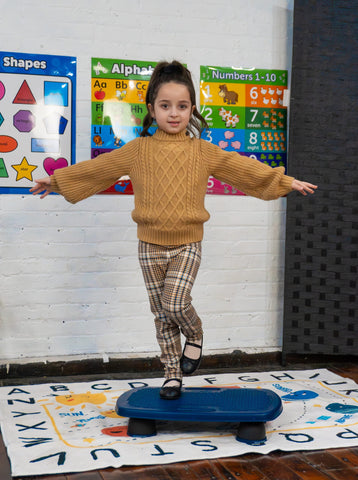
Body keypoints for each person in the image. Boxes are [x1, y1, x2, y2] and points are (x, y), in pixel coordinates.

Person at [31, 60, 317, 400]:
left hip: (187, 244)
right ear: (151, 109)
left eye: (182, 106)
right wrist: (58, 181)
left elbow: (243, 169)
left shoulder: (203, 151)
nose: (174, 113)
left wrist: (285, 181)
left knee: (176, 304)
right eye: (165, 106)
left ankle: (195, 334)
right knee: (161, 315)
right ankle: (171, 374)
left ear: (192, 109)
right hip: (149, 245)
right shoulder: (137, 150)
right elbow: (98, 169)